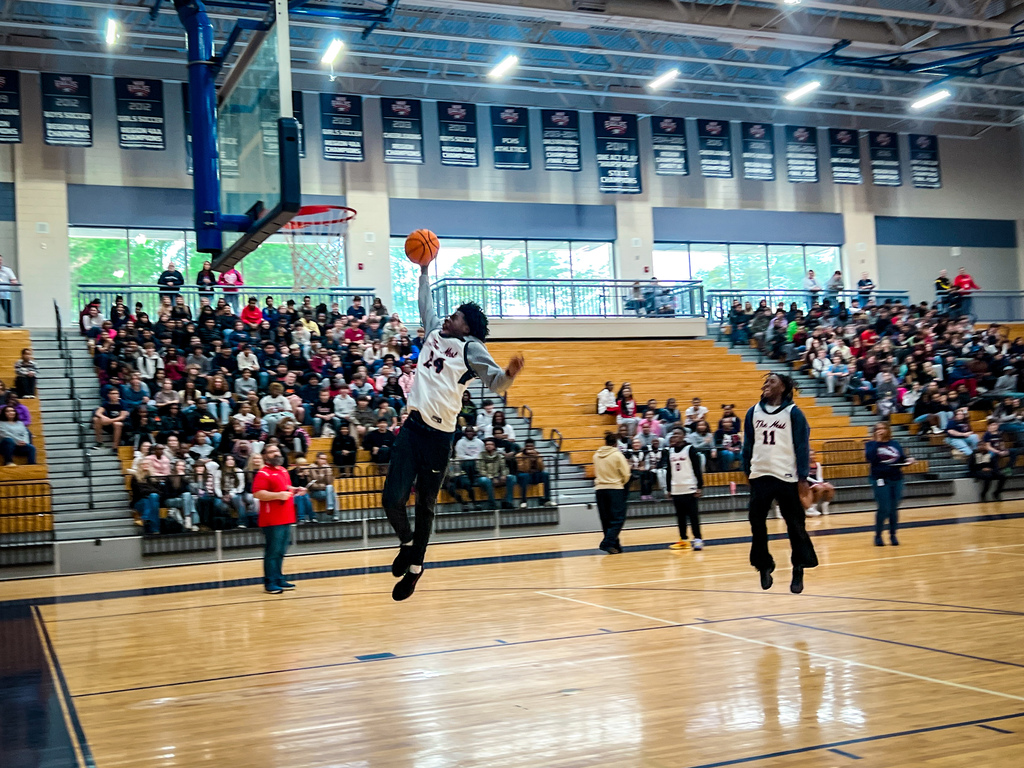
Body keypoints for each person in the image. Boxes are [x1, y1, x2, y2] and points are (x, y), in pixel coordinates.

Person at [382, 262, 523, 601]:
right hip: (413, 427)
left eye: (456, 316)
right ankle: (407, 544)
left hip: (439, 437)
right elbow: (426, 303)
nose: (449, 317)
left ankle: (415, 569)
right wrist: (424, 269)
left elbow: (496, 383)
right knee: (391, 499)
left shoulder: (471, 349)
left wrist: (510, 373)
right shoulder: (433, 331)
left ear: (467, 328)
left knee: (425, 505)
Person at [742, 372, 818, 594]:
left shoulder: (794, 413)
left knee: (795, 525)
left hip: (786, 476)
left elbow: (802, 446)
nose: (766, 384)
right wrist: (746, 471)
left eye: (772, 381)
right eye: (765, 381)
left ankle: (799, 567)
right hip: (760, 475)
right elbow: (748, 445)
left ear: (783, 387)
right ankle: (763, 565)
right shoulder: (753, 412)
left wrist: (802, 477)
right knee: (756, 523)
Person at [251, 444, 305, 594]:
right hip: (272, 518)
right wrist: (278, 495)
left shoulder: (282, 470)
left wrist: (295, 490)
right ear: (265, 456)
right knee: (273, 551)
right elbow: (257, 493)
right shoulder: (263, 473)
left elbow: (285, 487)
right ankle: (270, 582)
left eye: (277, 451)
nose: (275, 453)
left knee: (281, 550)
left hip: (286, 515)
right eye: (271, 452)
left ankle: (279, 578)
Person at [866, 422, 908, 546]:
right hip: (880, 479)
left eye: (883, 428)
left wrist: (908, 460)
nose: (881, 431)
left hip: (896, 478)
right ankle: (878, 535)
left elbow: (902, 458)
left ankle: (893, 535)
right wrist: (878, 442)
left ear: (888, 430)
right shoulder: (871, 444)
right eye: (878, 429)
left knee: (894, 508)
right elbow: (870, 458)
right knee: (884, 508)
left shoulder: (894, 443)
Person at [593, 431, 631, 554]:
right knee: (618, 519)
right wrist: (621, 483)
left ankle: (614, 546)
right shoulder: (617, 455)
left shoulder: (596, 455)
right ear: (615, 443)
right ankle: (607, 543)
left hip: (600, 490)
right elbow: (626, 474)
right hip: (615, 489)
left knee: (606, 520)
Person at [666, 429, 704, 551]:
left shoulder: (690, 449)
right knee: (680, 517)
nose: (675, 436)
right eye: (674, 434)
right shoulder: (670, 451)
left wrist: (700, 486)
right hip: (676, 488)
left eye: (678, 434)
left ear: (684, 436)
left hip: (689, 487)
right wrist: (669, 488)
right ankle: (683, 539)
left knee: (693, 516)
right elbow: (669, 471)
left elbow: (697, 469)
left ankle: (698, 540)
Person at [513, 438, 554, 508]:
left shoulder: (538, 455)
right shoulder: (519, 456)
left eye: (531, 447)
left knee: (545, 474)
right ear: (525, 447)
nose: (529, 448)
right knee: (525, 476)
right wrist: (528, 459)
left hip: (535, 475)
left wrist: (536, 459)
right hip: (524, 475)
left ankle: (547, 499)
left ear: (534, 447)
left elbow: (541, 468)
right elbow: (522, 469)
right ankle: (523, 501)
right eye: (528, 446)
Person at [0, 254, 20, 325]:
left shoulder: (7, 270)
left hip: (5, 295)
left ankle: (9, 326)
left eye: (1, 260)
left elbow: (14, 281)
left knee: (8, 311)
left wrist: (11, 283)